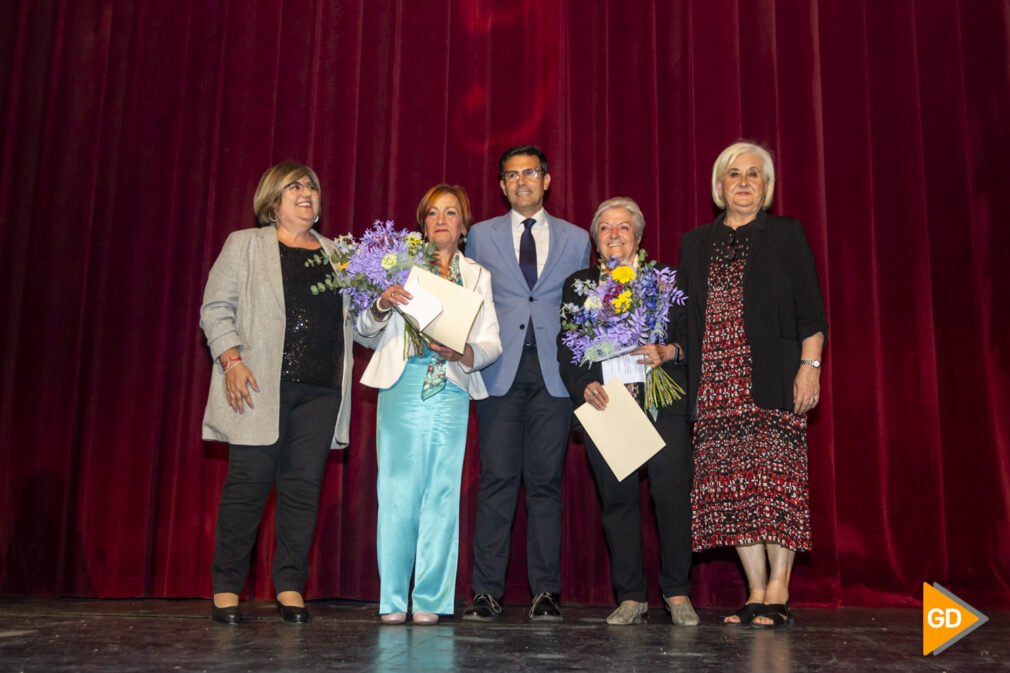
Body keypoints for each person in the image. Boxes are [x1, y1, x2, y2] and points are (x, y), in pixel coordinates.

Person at [677, 142, 827, 628]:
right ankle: (756, 590)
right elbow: (685, 321)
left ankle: (779, 588)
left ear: (766, 187)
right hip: (715, 382)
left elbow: (812, 313)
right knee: (732, 489)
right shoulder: (695, 241)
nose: (743, 182)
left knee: (774, 483)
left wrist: (810, 366)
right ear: (719, 187)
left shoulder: (786, 234)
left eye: (754, 175)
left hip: (771, 377)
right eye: (734, 175)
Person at [200, 162, 355, 624]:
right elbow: (215, 307)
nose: (307, 192)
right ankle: (227, 586)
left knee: (302, 491)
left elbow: (361, 327)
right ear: (273, 199)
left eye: (312, 186)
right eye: (296, 186)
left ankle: (289, 585)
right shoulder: (244, 245)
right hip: (259, 384)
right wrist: (231, 359)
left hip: (322, 390)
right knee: (247, 489)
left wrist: (384, 305)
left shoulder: (338, 254)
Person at [356, 184, 501, 626]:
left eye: (451, 213)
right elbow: (363, 331)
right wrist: (381, 303)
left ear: (464, 225)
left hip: (451, 389)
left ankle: (430, 599)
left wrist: (465, 354)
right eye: (433, 213)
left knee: (441, 496)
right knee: (397, 494)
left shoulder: (477, 275)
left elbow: (492, 342)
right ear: (422, 225)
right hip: (402, 384)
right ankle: (393, 599)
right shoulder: (398, 266)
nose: (441, 220)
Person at [463, 145, 591, 622]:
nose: (522, 181)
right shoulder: (478, 235)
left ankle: (546, 592)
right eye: (512, 175)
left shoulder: (578, 239)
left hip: (556, 377)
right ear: (501, 185)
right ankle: (486, 592)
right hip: (498, 371)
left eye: (530, 173)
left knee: (545, 484)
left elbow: (584, 308)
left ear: (547, 179)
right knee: (496, 481)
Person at [558, 197, 698, 626]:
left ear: (638, 237)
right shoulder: (578, 285)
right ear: (595, 241)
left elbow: (690, 340)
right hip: (609, 404)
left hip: (661, 401)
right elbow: (566, 351)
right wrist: (585, 386)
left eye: (623, 227)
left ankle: (677, 592)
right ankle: (632, 596)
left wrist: (667, 351)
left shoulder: (662, 282)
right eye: (605, 228)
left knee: (671, 494)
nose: (614, 235)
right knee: (617, 503)